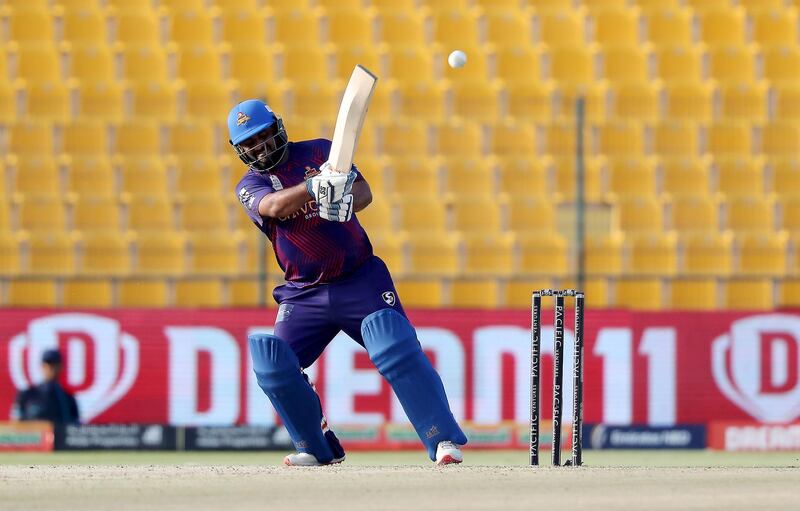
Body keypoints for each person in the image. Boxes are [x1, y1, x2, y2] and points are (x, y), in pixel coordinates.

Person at [229, 99, 467, 466]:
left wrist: (345, 202)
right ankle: (316, 447)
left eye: (263, 136)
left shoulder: (320, 151)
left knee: (394, 343)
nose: (260, 147)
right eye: (250, 144)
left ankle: (442, 440)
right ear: (240, 151)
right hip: (303, 293)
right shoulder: (250, 184)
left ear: (278, 127)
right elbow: (274, 207)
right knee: (273, 363)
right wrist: (315, 187)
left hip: (359, 279)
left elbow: (365, 192)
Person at [14, 349, 80, 425]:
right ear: (42, 366)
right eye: (47, 365)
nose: (50, 368)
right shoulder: (27, 395)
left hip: (59, 436)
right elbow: (16, 424)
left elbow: (75, 427)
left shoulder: (68, 399)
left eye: (54, 365)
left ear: (61, 367)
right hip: (33, 436)